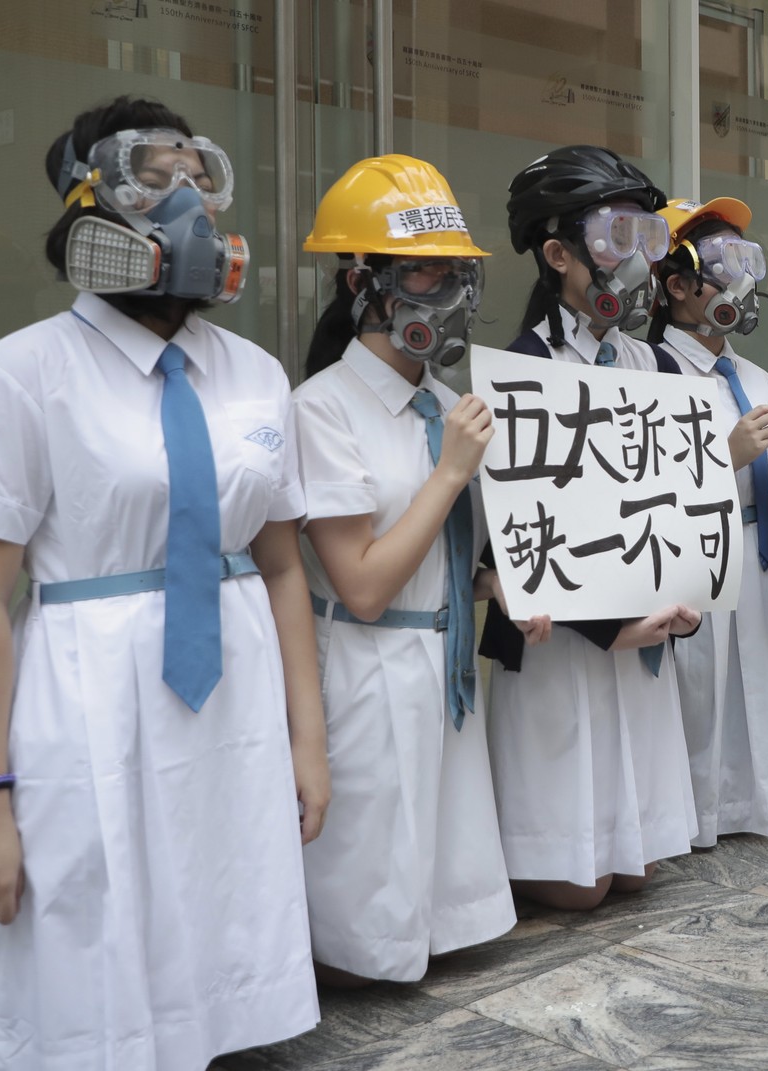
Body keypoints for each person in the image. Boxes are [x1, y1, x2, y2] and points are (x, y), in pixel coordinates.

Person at [0, 97, 327, 1069]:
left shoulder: (257, 375)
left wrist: (309, 743)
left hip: (235, 698)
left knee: (216, 891)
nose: (184, 201)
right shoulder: (21, 374)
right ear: (85, 204)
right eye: (152, 175)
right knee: (90, 925)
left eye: (198, 176)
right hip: (84, 694)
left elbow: (281, 568)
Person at [292, 155, 538, 985]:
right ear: (362, 280)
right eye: (428, 271)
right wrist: (452, 473)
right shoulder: (322, 407)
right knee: (364, 934)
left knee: (443, 917)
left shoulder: (446, 398)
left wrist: (496, 587)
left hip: (444, 669)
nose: (454, 294)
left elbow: (445, 549)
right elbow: (360, 584)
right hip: (368, 673)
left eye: (459, 272)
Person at [482, 145, 700, 910]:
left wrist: (687, 598)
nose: (639, 258)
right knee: (579, 883)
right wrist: (610, 625)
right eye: (617, 235)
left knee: (636, 869)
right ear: (557, 253)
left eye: (650, 236)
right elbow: (507, 541)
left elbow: (683, 504)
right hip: (563, 645)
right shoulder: (518, 370)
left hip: (645, 636)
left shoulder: (657, 367)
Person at [646, 196, 768, 845]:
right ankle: (695, 815)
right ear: (675, 285)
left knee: (755, 679)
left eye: (745, 259)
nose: (740, 280)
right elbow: (641, 491)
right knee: (701, 689)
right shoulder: (653, 373)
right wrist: (725, 457)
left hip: (756, 550)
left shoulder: (755, 376)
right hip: (691, 555)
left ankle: (758, 798)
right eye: (722, 263)